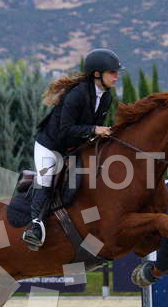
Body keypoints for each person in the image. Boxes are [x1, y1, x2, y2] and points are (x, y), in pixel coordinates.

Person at [22, 49, 123, 249]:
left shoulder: (106, 97)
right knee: (47, 177)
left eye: (116, 72)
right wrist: (94, 129)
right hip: (51, 145)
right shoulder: (76, 95)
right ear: (97, 74)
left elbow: (90, 131)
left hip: (74, 146)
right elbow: (66, 130)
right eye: (112, 72)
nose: (116, 76)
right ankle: (35, 226)